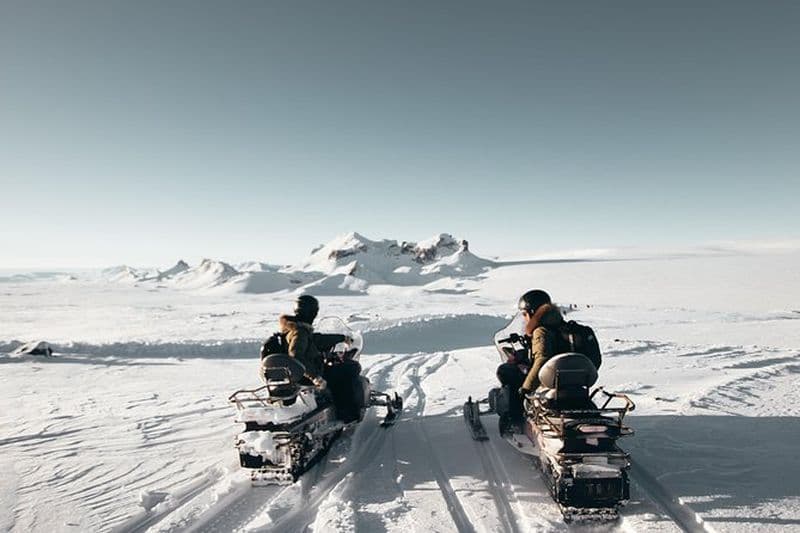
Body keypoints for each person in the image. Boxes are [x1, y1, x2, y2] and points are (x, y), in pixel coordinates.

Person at [496, 289, 552, 427]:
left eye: (525, 314)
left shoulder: (540, 331)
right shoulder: (561, 325)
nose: (525, 318)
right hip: (568, 376)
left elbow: (541, 360)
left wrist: (526, 388)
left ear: (532, 313)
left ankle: (514, 419)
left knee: (507, 372)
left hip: (549, 375)